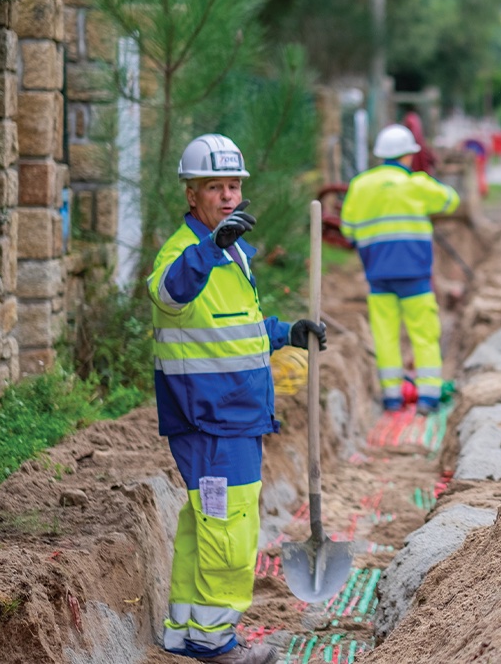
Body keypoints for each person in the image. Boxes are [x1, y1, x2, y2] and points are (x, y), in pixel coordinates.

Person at [150, 133, 326, 664]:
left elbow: (236, 331)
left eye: (233, 186)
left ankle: (185, 632)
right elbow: (169, 294)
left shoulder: (232, 257)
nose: (228, 196)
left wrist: (285, 331)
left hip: (237, 416)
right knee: (230, 529)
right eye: (214, 187)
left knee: (205, 522)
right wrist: (212, 246)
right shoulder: (188, 255)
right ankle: (216, 644)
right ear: (192, 195)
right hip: (210, 421)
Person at [341, 124, 461, 421]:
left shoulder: (360, 185)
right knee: (424, 333)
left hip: (378, 274)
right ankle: (428, 397)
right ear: (408, 155)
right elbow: (451, 200)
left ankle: (392, 398)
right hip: (415, 274)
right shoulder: (417, 184)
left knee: (384, 335)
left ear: (381, 156)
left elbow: (347, 230)